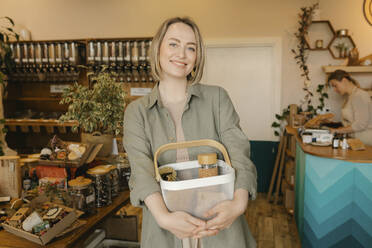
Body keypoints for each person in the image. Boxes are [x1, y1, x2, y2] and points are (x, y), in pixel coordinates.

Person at [123, 17, 257, 248]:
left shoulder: (217, 98)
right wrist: (164, 217)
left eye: (191, 47)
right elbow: (141, 170)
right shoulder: (137, 112)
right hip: (165, 229)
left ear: (197, 57)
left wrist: (238, 204)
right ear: (158, 49)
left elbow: (239, 153)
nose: (182, 54)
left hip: (220, 226)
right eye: (173, 44)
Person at [327, 70, 372, 145]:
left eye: (335, 85)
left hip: (365, 143)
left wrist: (337, 131)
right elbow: (350, 121)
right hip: (356, 141)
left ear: (344, 80)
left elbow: (360, 124)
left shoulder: (359, 95)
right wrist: (331, 123)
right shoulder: (350, 97)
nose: (334, 90)